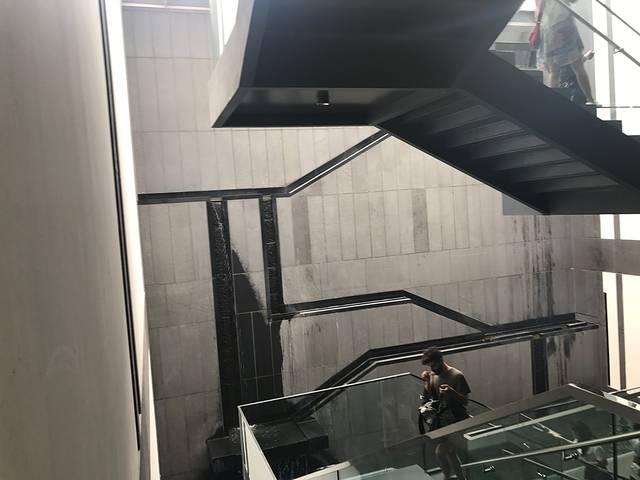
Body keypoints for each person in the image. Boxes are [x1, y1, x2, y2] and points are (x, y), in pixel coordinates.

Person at [420, 347, 471, 480]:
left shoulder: (457, 375)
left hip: (457, 421)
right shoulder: (433, 376)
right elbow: (430, 397)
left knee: (440, 452)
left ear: (440, 360)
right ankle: (460, 478)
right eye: (430, 366)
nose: (432, 369)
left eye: (433, 365)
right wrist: (427, 382)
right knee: (451, 454)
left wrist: (451, 392)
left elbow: (465, 401)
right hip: (442, 422)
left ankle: (447, 477)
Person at [536, 0, 596, 104]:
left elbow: (538, 8)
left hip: (548, 28)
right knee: (578, 66)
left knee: (554, 71)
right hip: (563, 25)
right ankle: (590, 99)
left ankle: (552, 102)